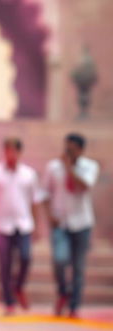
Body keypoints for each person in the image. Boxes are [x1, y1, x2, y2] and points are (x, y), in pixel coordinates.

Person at [0, 137, 44, 315]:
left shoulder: (29, 174)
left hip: (23, 224)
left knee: (25, 257)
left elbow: (35, 201)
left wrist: (38, 225)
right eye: (8, 150)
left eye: (14, 151)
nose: (11, 154)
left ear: (20, 153)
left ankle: (19, 286)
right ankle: (9, 302)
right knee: (5, 264)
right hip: (2, 226)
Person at [43, 133, 100, 318]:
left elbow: (84, 186)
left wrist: (69, 168)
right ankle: (63, 292)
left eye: (72, 148)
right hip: (60, 222)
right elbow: (45, 193)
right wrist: (49, 214)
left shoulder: (90, 166)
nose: (67, 151)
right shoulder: (53, 167)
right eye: (66, 147)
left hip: (82, 222)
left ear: (81, 150)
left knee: (78, 266)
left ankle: (74, 306)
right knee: (59, 260)